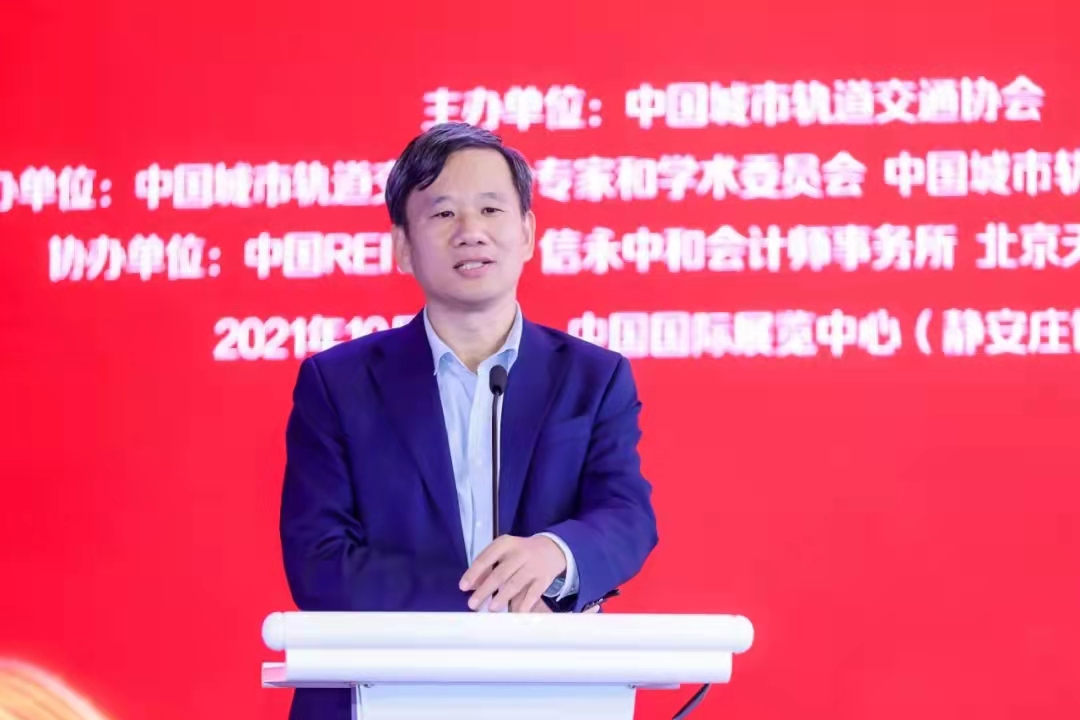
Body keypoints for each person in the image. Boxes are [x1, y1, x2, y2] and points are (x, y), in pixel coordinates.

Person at [277, 122, 659, 720]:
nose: (471, 231)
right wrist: (494, 602)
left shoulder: (594, 377)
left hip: (550, 694)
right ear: (403, 246)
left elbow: (627, 516)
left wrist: (556, 554)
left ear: (527, 232)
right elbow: (319, 560)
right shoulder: (338, 384)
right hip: (374, 695)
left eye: (490, 209)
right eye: (443, 213)